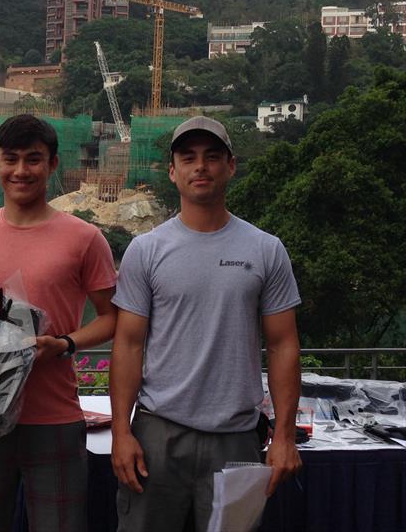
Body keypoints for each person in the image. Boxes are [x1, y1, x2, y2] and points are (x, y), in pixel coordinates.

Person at [109, 116, 302, 532]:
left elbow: (284, 344)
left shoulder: (266, 249)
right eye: (189, 157)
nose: (201, 166)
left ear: (230, 166)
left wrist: (284, 435)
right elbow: (127, 345)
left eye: (212, 157)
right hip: (158, 435)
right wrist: (121, 433)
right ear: (173, 172)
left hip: (237, 438)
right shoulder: (146, 251)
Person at [0, 114, 118, 532]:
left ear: (53, 165)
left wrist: (66, 344)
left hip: (54, 418)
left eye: (34, 160)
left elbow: (113, 318)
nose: (21, 171)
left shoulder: (84, 238)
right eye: (11, 159)